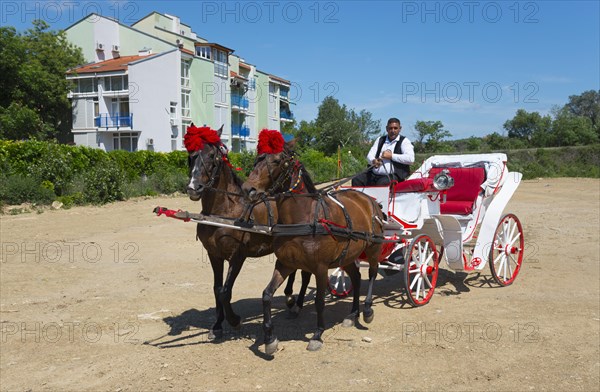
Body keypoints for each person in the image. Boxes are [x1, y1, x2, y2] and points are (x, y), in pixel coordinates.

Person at [352, 117, 415, 186]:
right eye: (390, 128)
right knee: (356, 179)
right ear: (386, 129)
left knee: (383, 183)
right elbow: (369, 155)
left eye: (395, 128)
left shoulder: (404, 141)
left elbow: (410, 159)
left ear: (400, 129)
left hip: (392, 176)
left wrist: (391, 156)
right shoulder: (380, 139)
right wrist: (373, 161)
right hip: (374, 174)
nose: (393, 130)